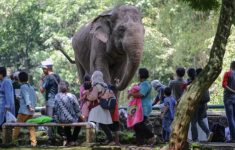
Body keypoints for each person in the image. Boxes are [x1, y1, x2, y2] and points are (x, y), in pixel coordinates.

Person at [85, 71, 114, 145]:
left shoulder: (96, 85)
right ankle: (111, 140)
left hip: (96, 106)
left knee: (91, 122)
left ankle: (90, 140)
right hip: (103, 106)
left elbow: (94, 97)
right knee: (102, 124)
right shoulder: (105, 85)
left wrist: (87, 95)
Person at [128, 68, 155, 146]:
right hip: (139, 107)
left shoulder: (146, 84)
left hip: (144, 107)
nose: (137, 75)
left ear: (141, 74)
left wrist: (131, 94)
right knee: (136, 125)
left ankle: (151, 136)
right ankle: (140, 143)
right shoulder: (141, 84)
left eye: (138, 73)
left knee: (139, 124)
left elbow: (141, 94)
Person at [12, 72, 37, 147]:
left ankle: (13, 141)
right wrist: (32, 107)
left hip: (24, 111)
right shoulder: (31, 87)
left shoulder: (22, 87)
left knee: (17, 126)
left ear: (19, 79)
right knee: (31, 126)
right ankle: (34, 142)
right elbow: (34, 98)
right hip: (30, 111)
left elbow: (26, 97)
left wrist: (29, 106)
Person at [53, 81, 81, 146]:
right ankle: (73, 140)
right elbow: (77, 108)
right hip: (71, 119)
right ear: (68, 88)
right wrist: (80, 116)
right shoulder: (72, 96)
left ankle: (69, 141)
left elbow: (55, 108)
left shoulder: (56, 96)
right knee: (79, 123)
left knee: (66, 122)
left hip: (60, 119)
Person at [189, 68, 213, 142]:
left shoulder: (195, 82)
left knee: (193, 121)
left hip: (196, 104)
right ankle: (208, 132)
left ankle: (195, 139)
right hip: (203, 104)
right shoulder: (205, 81)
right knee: (200, 120)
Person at [39, 58, 60, 142]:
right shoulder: (57, 76)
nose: (42, 70)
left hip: (50, 101)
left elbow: (42, 90)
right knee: (56, 119)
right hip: (58, 101)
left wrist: (41, 80)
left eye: (43, 68)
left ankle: (51, 138)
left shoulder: (48, 77)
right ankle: (58, 136)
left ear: (46, 68)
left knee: (49, 119)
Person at [222, 61, 235, 143]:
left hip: (228, 98)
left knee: (230, 118)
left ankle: (233, 138)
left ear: (231, 66)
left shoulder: (228, 73)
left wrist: (232, 91)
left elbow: (224, 84)